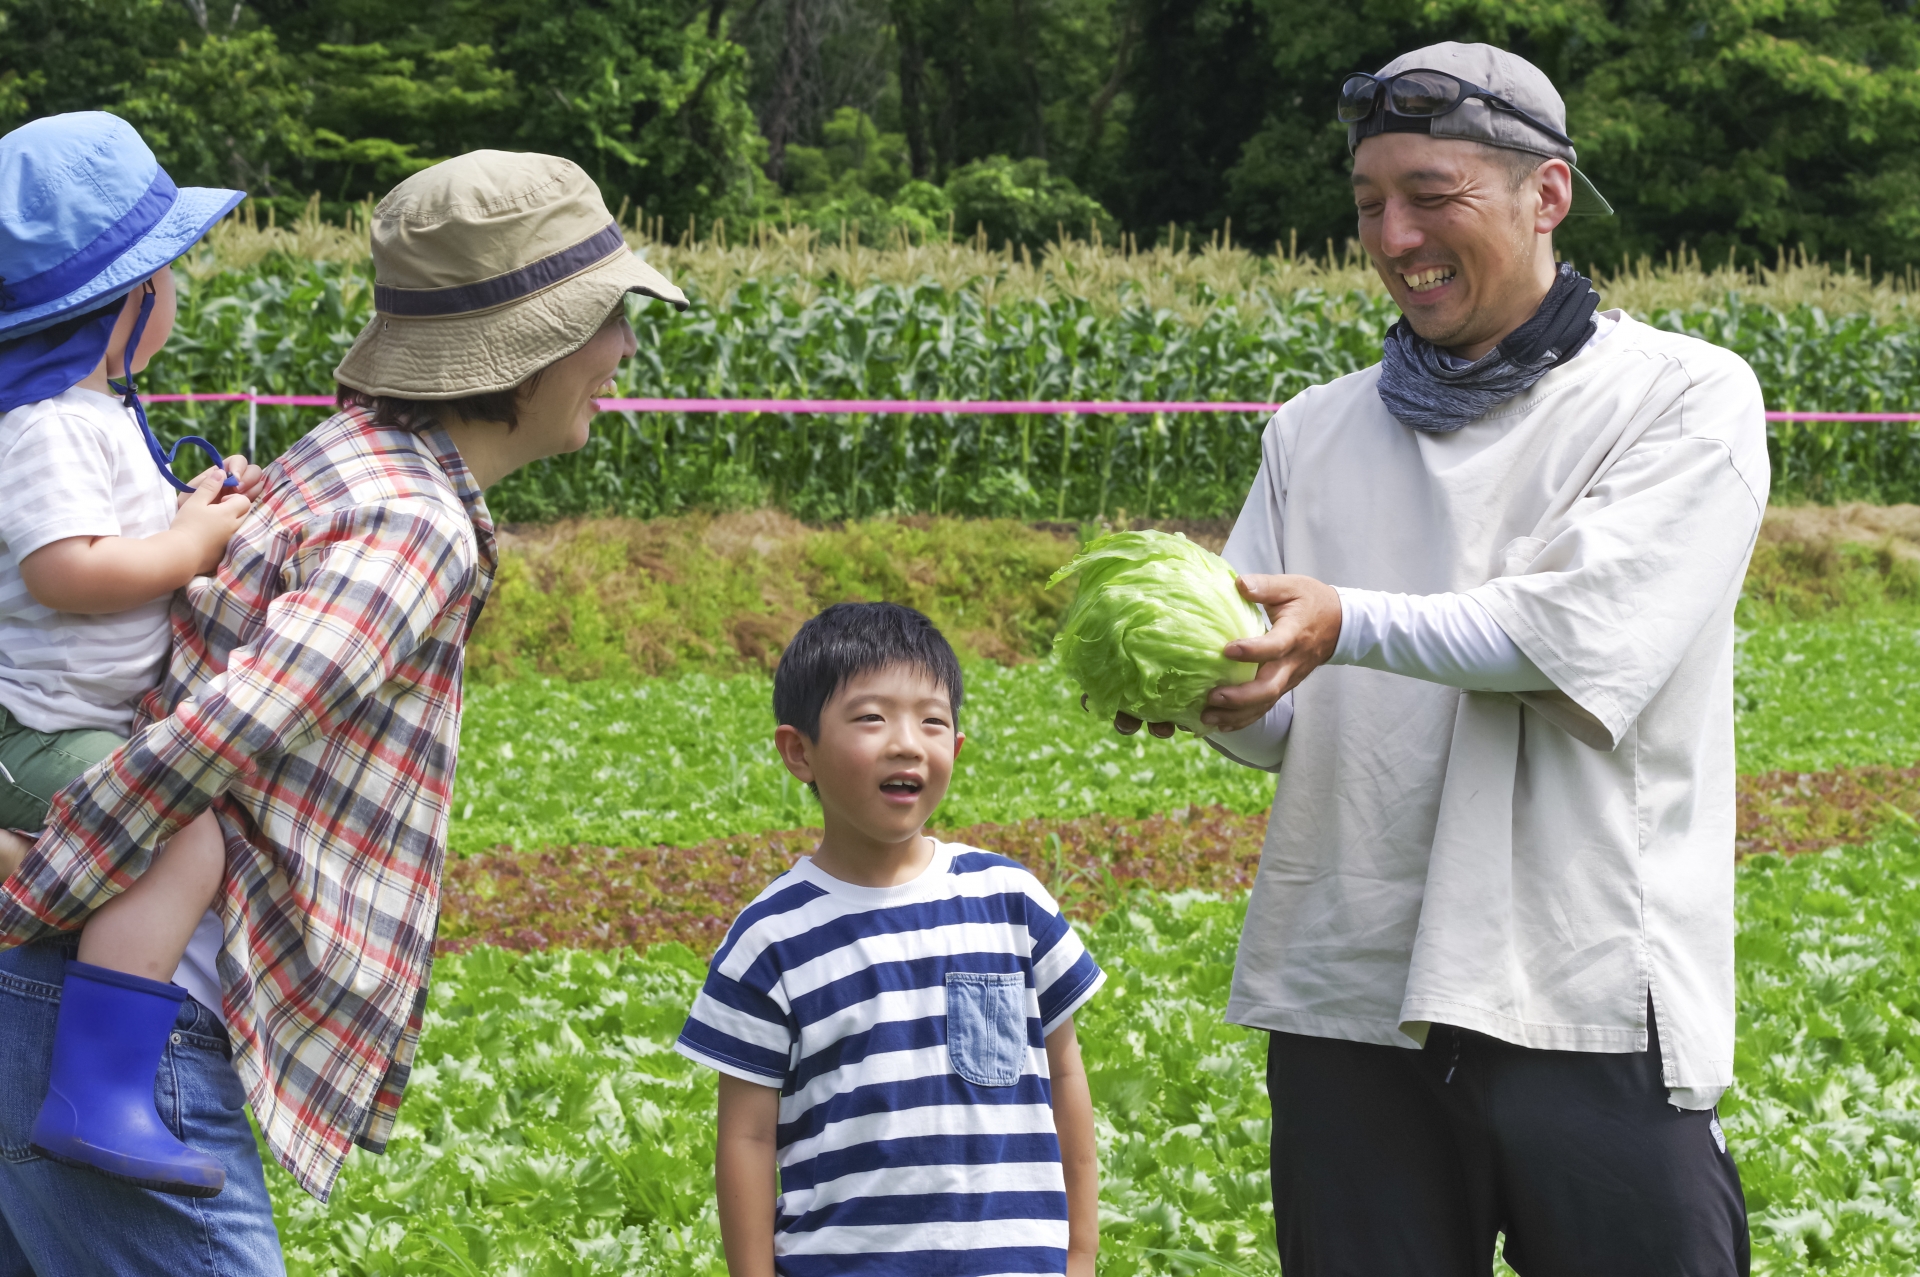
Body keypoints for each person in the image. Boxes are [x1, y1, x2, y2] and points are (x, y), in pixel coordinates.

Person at [1123, 43, 1765, 1276]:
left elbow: (1575, 635)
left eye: (1432, 193)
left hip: (1580, 975)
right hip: (1351, 972)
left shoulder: (1680, 398)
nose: (1394, 233)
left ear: (1548, 195)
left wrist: (1341, 622)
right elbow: (1286, 716)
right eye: (1369, 204)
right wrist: (1214, 693)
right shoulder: (1315, 429)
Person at [0, 147, 686, 1271]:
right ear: (536, 340)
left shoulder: (344, 454)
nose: (622, 351)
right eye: (610, 320)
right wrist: (41, 886)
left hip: (55, 988)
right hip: (120, 1010)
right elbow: (225, 730)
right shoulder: (413, 522)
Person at [0, 112, 267, 1199]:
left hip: (74, 721)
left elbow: (121, 532)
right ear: (126, 299)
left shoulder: (94, 416)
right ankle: (98, 1087)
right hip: (40, 732)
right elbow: (68, 566)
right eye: (167, 273)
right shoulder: (46, 424)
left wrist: (189, 506)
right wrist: (193, 542)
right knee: (179, 830)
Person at [676, 602, 1104, 1277]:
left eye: (932, 720)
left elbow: (1067, 1074)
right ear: (799, 751)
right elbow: (747, 1136)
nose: (907, 741)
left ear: (955, 748)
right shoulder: (770, 938)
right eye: (872, 717)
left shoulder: (1010, 899)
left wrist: (1079, 1253)